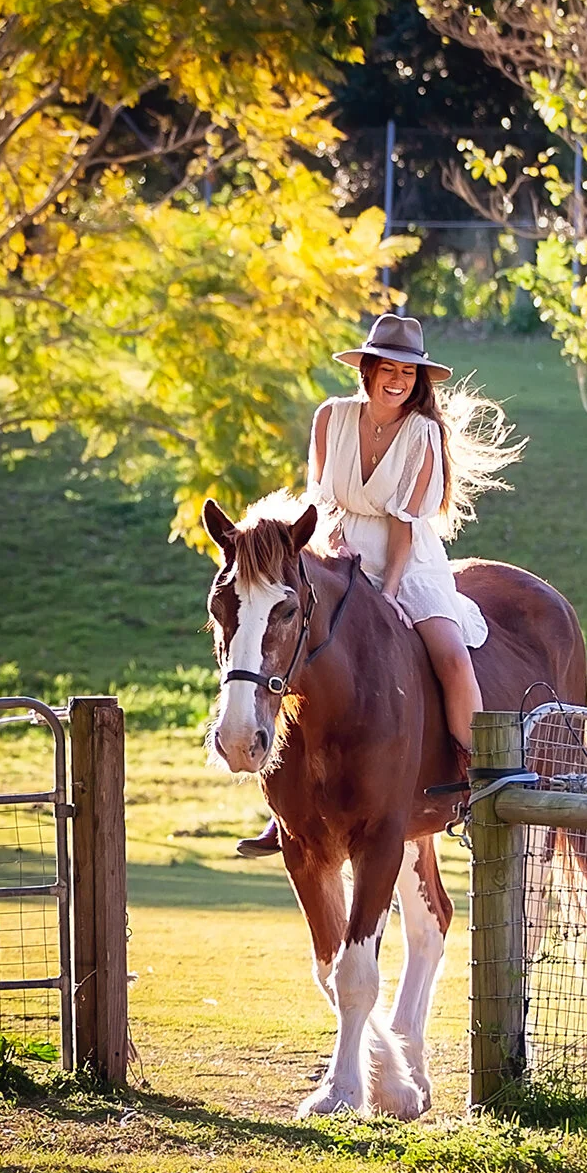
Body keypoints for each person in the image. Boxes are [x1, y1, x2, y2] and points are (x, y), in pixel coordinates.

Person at [236, 314, 520, 857]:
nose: (397, 381)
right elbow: (317, 500)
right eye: (387, 369)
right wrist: (334, 560)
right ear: (366, 371)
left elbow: (405, 526)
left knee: (451, 655)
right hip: (338, 556)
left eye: (409, 374)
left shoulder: (423, 434)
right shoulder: (330, 419)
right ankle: (283, 805)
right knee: (295, 660)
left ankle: (480, 773)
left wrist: (387, 592)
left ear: (419, 381)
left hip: (406, 563)